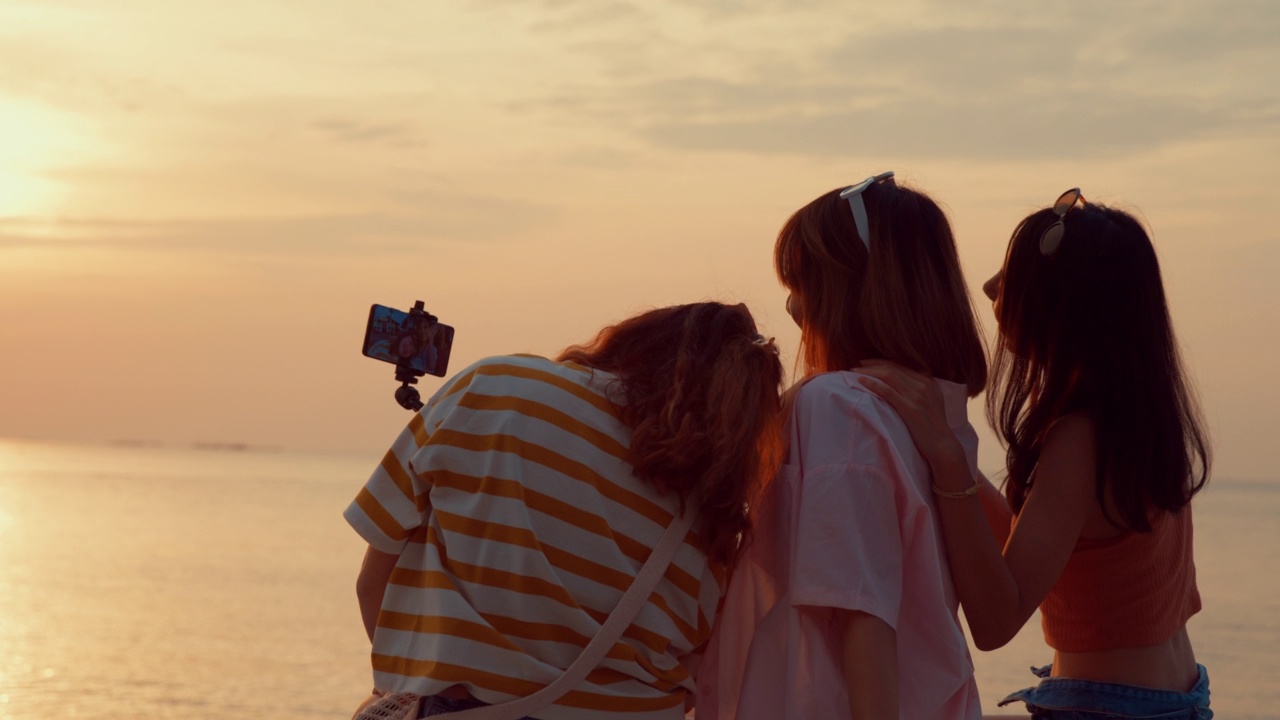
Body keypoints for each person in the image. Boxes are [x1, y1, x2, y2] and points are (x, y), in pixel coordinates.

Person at [859, 189, 1213, 718]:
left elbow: (996, 622)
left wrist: (948, 458)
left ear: (1062, 303)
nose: (989, 288)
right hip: (1171, 695)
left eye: (1013, 275)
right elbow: (1045, 546)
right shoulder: (1135, 415)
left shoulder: (1079, 437)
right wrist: (942, 442)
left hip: (1107, 707)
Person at [344, 301, 785, 719]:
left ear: (636, 340)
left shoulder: (495, 387)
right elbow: (697, 674)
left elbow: (372, 586)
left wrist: (404, 689)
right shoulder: (716, 517)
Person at [696, 172, 990, 720]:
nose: (792, 311)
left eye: (802, 286)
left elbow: (863, 613)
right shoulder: (937, 418)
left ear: (848, 291)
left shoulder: (841, 407)